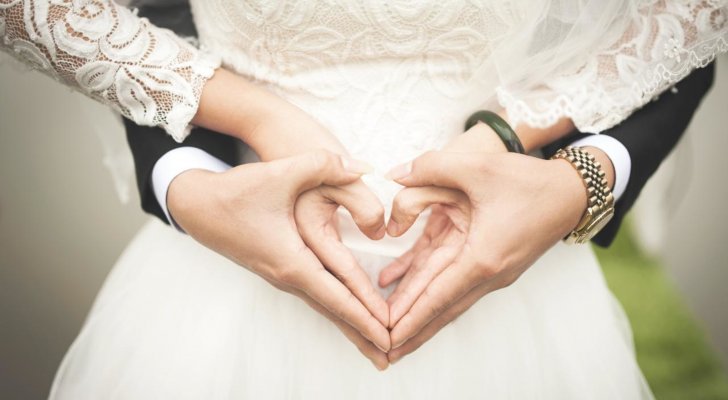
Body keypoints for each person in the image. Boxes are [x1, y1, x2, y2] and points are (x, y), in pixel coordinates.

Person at [0, 0, 725, 398]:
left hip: (513, 287)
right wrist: (227, 146)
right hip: (229, 287)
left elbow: (689, 16)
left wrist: (566, 177)